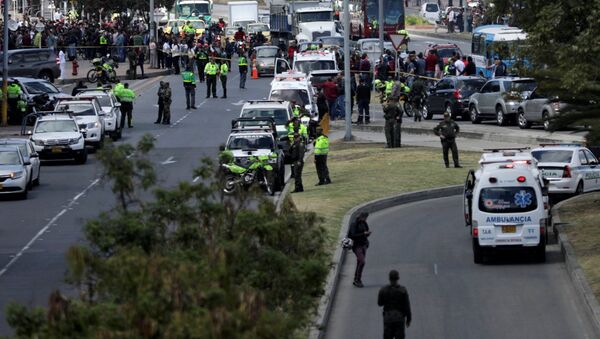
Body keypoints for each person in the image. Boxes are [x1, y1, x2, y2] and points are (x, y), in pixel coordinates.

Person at [378, 270, 412, 339]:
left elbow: (380, 303)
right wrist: (408, 319)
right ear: (398, 278)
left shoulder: (383, 290)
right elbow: (407, 306)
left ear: (389, 278)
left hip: (388, 318)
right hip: (399, 318)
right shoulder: (403, 290)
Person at [348, 212, 371, 288]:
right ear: (361, 217)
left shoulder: (364, 223)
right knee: (362, 261)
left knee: (359, 262)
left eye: (366, 218)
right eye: (364, 217)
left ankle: (356, 279)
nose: (365, 219)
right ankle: (358, 280)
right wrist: (363, 234)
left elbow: (366, 231)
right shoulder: (354, 224)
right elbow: (353, 235)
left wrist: (367, 234)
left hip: (364, 244)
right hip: (356, 245)